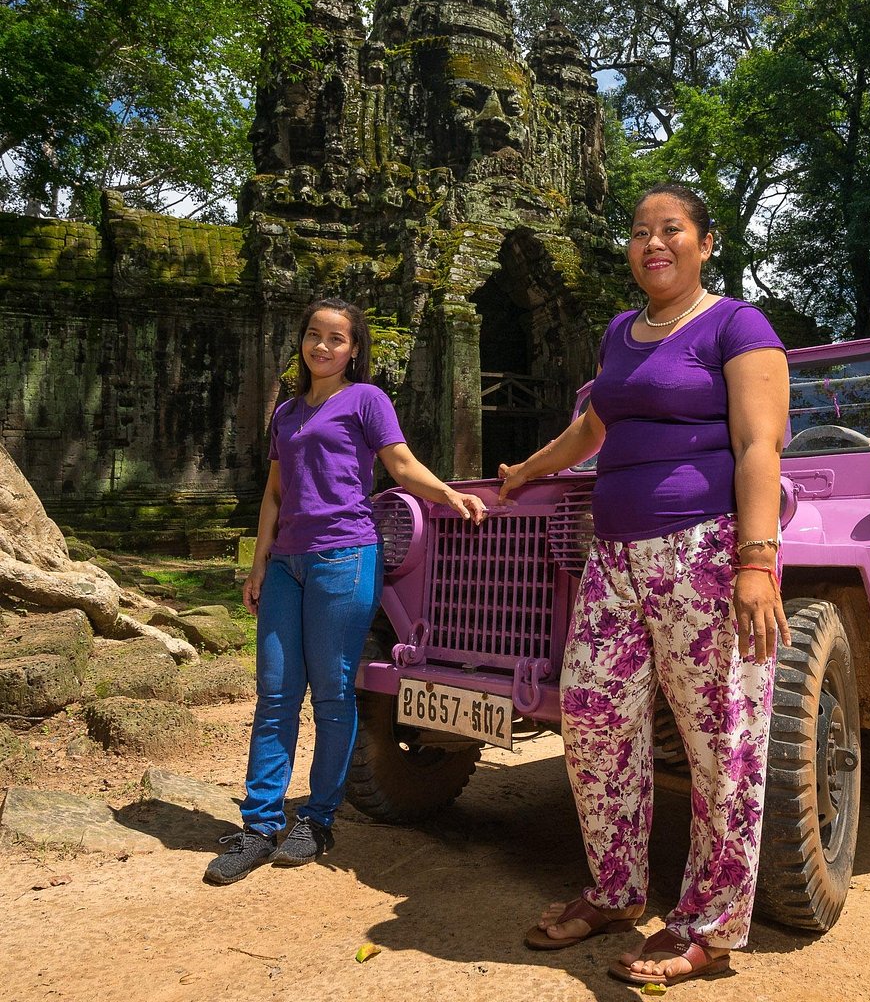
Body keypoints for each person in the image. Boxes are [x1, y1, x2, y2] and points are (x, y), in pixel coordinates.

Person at [500, 183, 790, 985]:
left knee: (721, 741)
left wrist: (757, 562)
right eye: (639, 233)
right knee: (592, 717)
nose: (652, 244)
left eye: (671, 230)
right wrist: (526, 471)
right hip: (615, 556)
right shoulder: (620, 334)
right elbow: (595, 426)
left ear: (705, 241)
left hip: (705, 550)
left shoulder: (738, 326)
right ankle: (617, 887)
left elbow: (759, 444)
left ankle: (708, 925)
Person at [205, 297, 485, 885]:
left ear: (354, 349)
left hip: (345, 556)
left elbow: (402, 465)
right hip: (287, 564)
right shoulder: (285, 414)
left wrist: (449, 495)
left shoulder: (366, 400)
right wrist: (259, 565)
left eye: (336, 338)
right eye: (314, 336)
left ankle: (317, 818)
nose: (323, 346)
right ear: (302, 343)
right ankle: (259, 825)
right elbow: (275, 494)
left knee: (333, 694)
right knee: (276, 693)